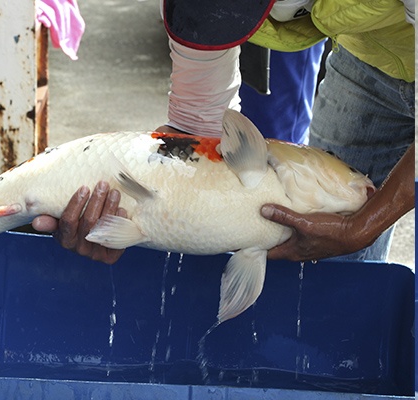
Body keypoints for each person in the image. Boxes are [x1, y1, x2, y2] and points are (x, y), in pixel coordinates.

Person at [32, 0, 415, 264]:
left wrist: (364, 226)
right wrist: (139, 219)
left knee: (350, 229)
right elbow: (197, 129)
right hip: (370, 56)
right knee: (330, 261)